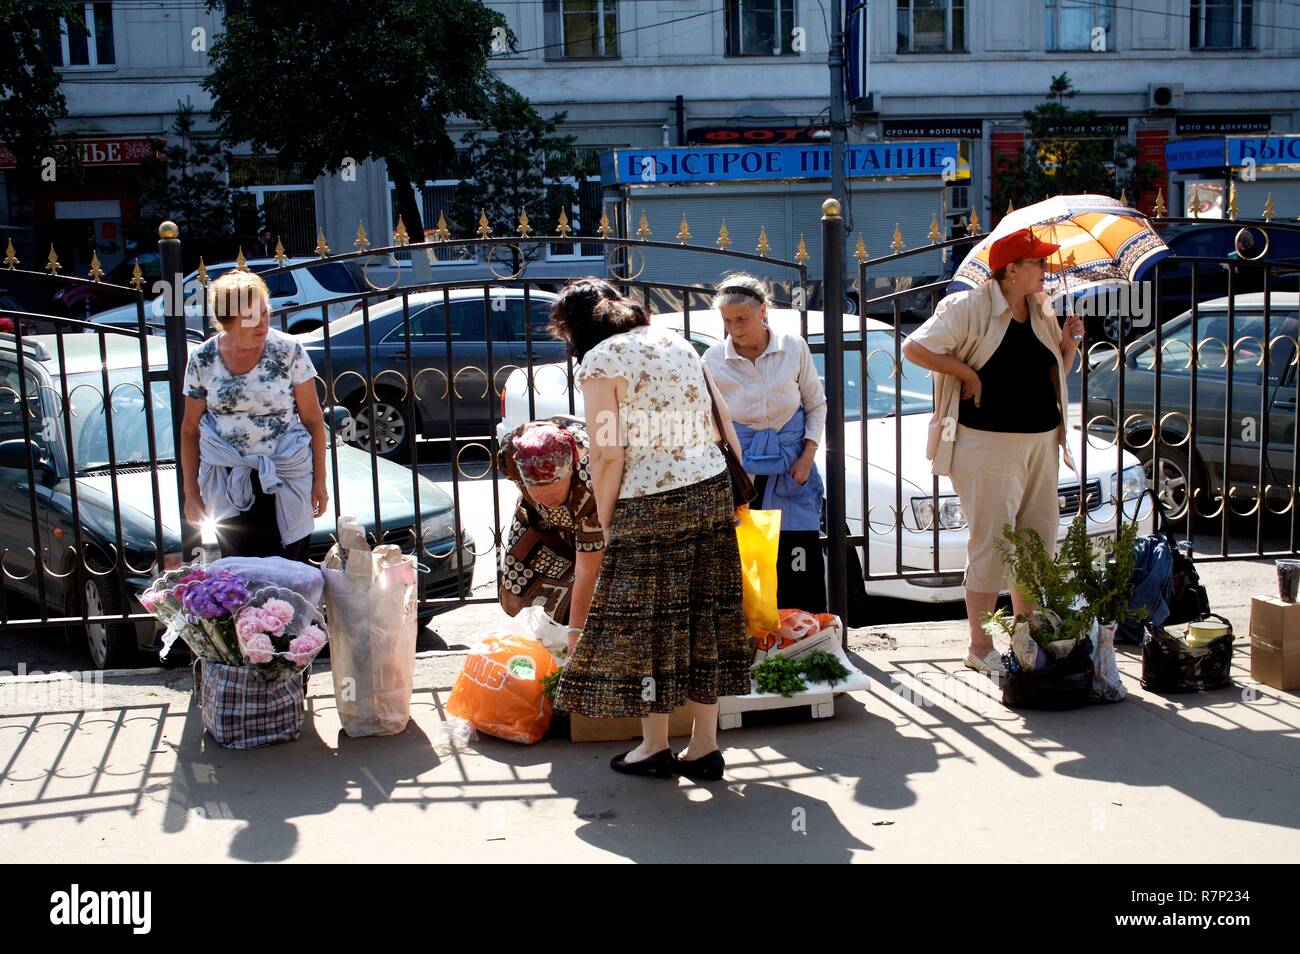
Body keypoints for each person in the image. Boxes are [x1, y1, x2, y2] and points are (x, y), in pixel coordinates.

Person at [549, 277, 751, 782]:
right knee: (705, 617)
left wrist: (607, 515)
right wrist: (733, 493)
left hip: (649, 502)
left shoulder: (601, 362)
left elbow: (606, 451)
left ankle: (654, 745)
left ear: (573, 329)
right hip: (708, 490)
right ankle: (705, 747)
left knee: (646, 627)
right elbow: (721, 420)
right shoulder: (676, 341)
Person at [901, 228, 1083, 672]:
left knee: (1036, 542)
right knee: (993, 544)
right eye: (1038, 263)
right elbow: (914, 347)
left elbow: (1052, 371)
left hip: (1041, 438)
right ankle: (979, 647)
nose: (1046, 269)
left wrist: (1068, 346)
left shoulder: (1040, 308)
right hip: (986, 443)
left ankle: (1028, 635)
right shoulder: (967, 306)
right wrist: (966, 373)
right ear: (1012, 270)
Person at [180, 270, 329, 563]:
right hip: (228, 482)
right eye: (251, 316)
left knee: (289, 578)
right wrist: (191, 492)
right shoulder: (203, 358)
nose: (262, 322)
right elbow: (190, 430)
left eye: (265, 312)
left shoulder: (289, 351)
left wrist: (319, 483)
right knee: (239, 580)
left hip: (285, 476)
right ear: (227, 320)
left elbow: (313, 421)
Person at [703, 273, 829, 613]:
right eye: (727, 321)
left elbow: (816, 405)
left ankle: (805, 634)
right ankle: (758, 638)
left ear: (763, 310)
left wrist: (806, 457)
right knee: (752, 557)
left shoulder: (793, 347)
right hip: (744, 473)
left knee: (797, 552)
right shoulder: (713, 359)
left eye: (741, 319)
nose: (734, 327)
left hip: (792, 464)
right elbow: (708, 420)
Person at [498, 416, 605, 655]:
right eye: (539, 494)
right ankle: (537, 650)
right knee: (516, 588)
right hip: (541, 523)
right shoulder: (511, 453)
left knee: (586, 594)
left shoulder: (590, 485)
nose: (547, 500)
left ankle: (578, 650)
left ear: (569, 473)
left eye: (553, 494)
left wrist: (575, 637)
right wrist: (540, 505)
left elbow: (586, 572)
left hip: (589, 532)